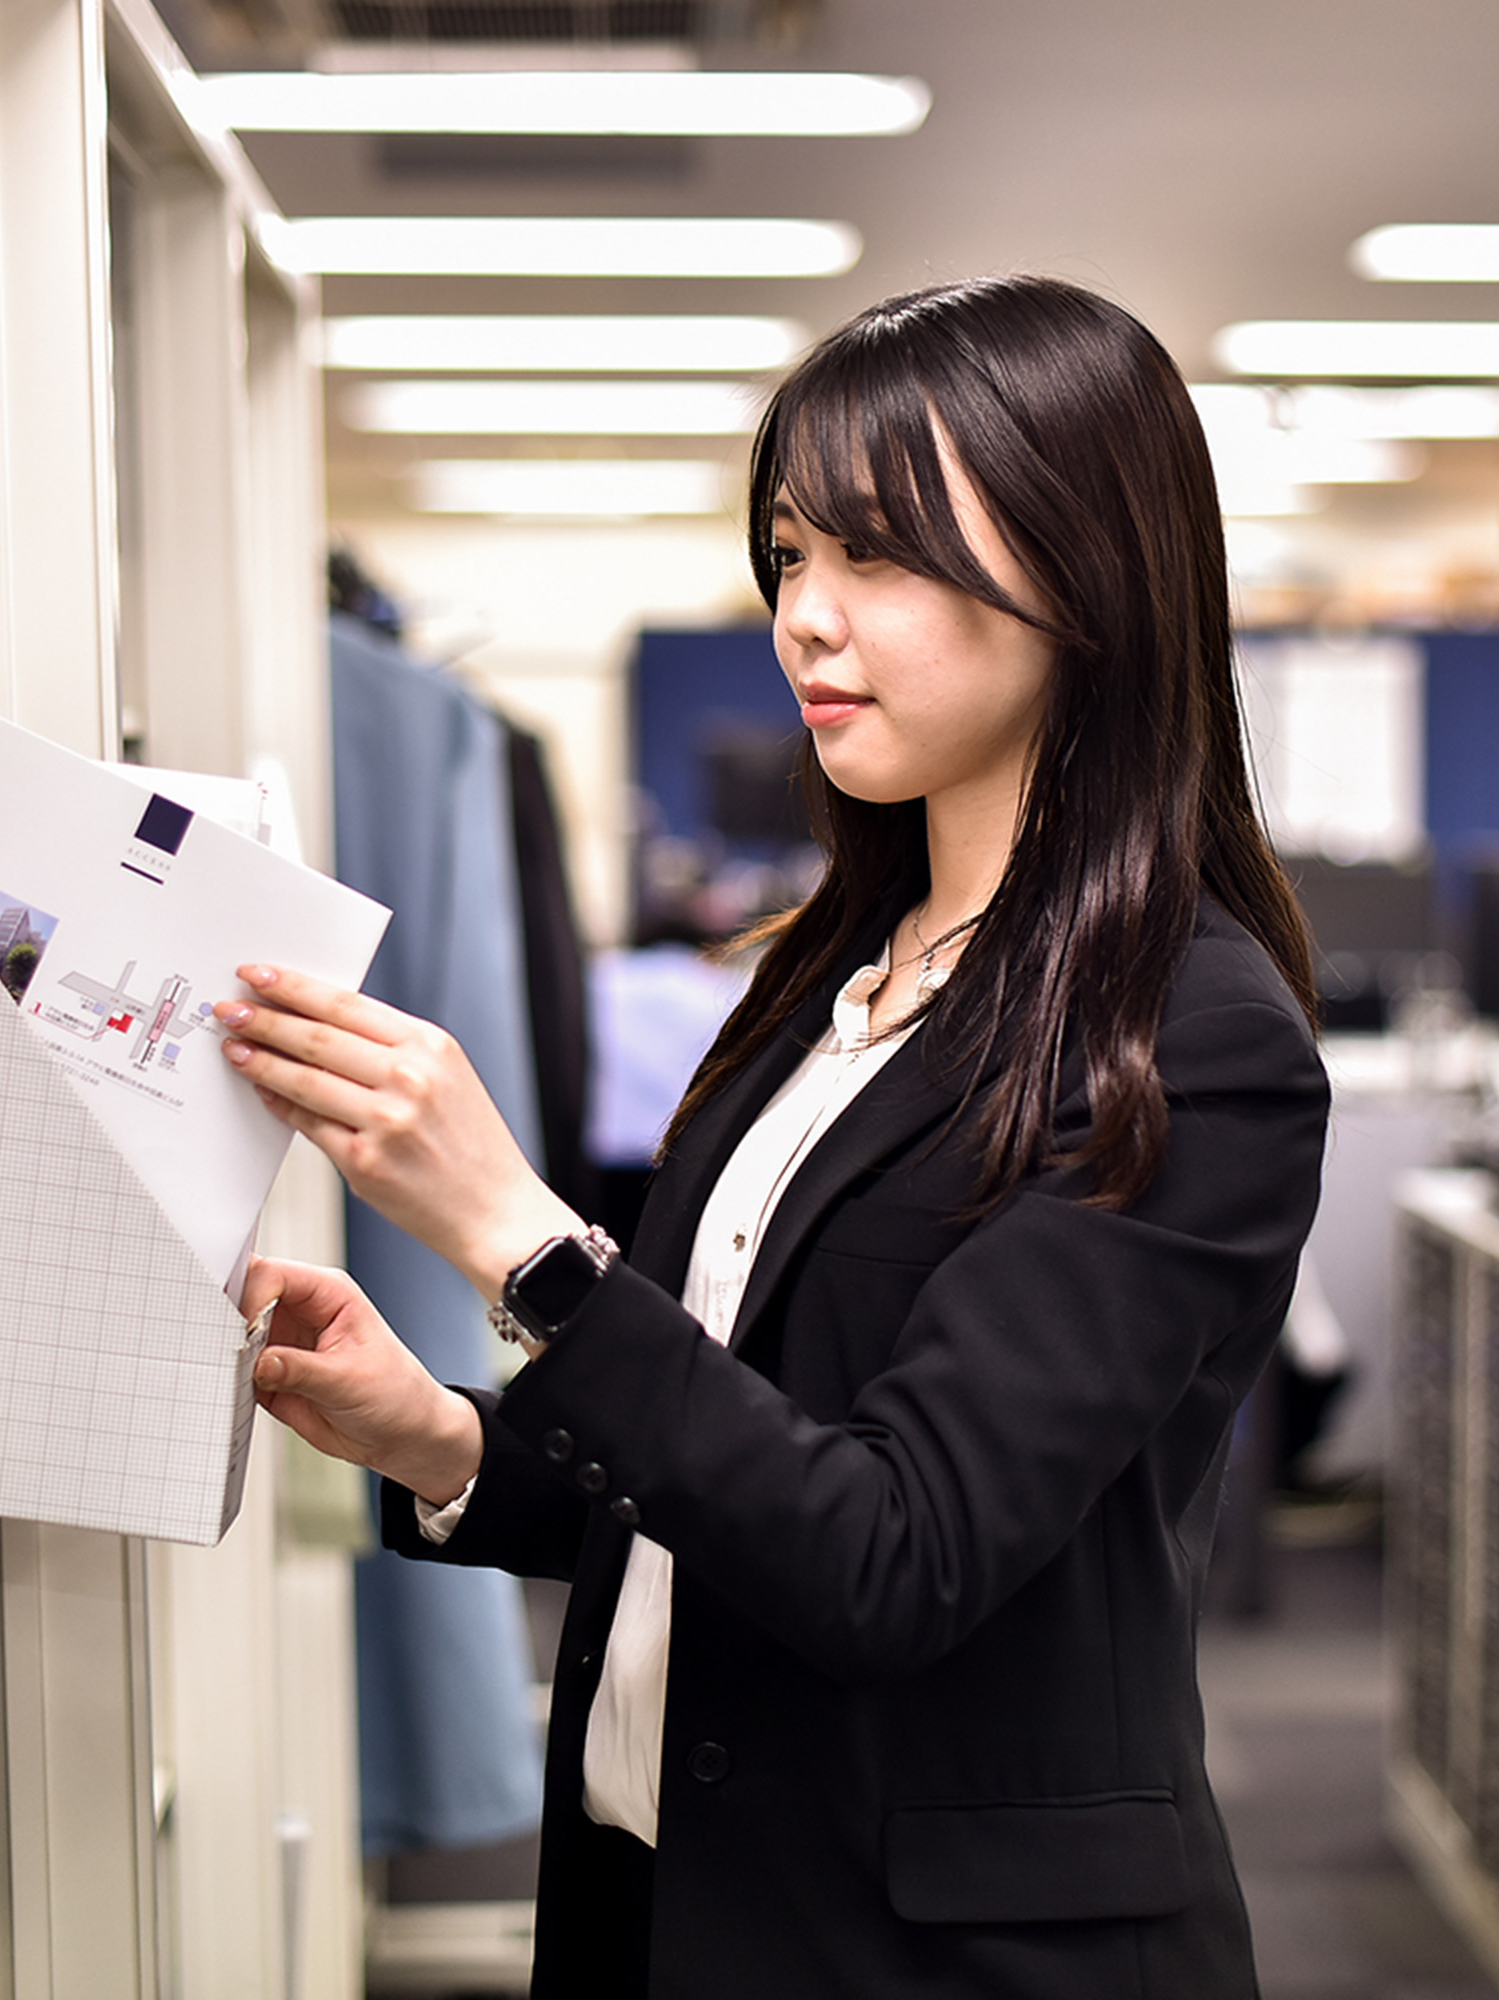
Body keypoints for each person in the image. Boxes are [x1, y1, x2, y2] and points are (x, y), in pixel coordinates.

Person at [216, 274, 1330, 1999]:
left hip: (950, 1954)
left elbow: (892, 1553)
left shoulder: (1189, 1029)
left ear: (1089, 569)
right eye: (792, 555)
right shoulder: (837, 971)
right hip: (674, 1899)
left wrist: (519, 1237)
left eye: (877, 556)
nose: (806, 616)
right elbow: (727, 1458)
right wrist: (438, 1436)